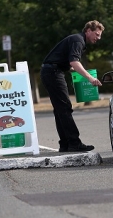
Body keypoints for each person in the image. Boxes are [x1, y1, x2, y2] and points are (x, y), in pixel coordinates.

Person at [40, 20, 104, 152]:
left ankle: (65, 144)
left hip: (51, 71)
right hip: (53, 72)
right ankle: (74, 143)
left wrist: (76, 70)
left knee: (60, 110)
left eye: (100, 35)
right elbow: (74, 61)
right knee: (65, 107)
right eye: (97, 34)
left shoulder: (77, 40)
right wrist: (90, 78)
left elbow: (69, 63)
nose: (99, 38)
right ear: (88, 31)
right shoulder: (78, 40)